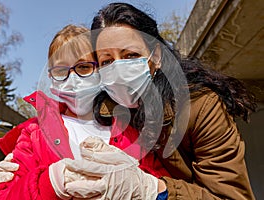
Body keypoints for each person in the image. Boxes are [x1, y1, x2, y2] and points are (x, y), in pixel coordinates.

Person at [63, 2, 256, 200]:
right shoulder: (101, 113)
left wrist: (154, 189)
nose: (119, 69)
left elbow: (231, 196)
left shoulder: (200, 108)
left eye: (131, 55)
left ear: (156, 56)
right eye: (107, 61)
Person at [0, 24, 170, 199]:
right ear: (50, 76)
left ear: (101, 68)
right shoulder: (35, 135)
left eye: (83, 67)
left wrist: (141, 184)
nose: (72, 78)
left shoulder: (129, 131)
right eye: (60, 70)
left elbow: (160, 185)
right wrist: (49, 183)